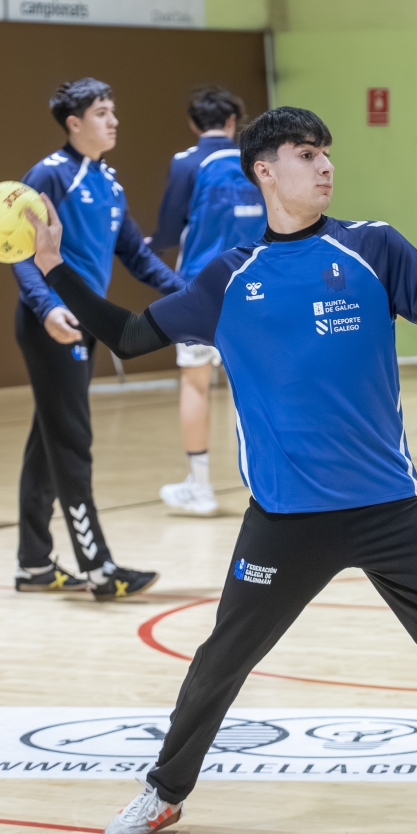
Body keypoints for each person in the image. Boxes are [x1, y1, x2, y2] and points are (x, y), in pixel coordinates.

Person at [30, 106, 417, 834]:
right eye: (306, 153)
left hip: (391, 507)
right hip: (286, 518)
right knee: (221, 660)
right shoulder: (229, 277)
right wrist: (54, 269)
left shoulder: (373, 246)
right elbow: (132, 336)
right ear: (265, 171)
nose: (325, 165)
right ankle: (163, 791)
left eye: (326, 152)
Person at [12, 78, 183, 597]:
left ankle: (34, 564)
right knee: (72, 444)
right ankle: (99, 568)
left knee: (50, 441)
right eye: (102, 113)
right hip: (52, 324)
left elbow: (136, 255)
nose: (113, 121)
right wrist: (46, 308)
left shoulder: (108, 181)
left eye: (112, 111)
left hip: (84, 323)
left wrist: (191, 295)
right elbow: (21, 251)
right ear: (74, 123)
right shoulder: (49, 174)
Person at [149, 87, 258, 516]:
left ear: (194, 124)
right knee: (256, 385)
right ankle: (273, 485)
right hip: (253, 286)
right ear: (232, 121)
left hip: (199, 288)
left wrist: (146, 246)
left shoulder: (186, 162)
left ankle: (200, 488)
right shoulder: (256, 160)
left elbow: (168, 230)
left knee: (195, 383)